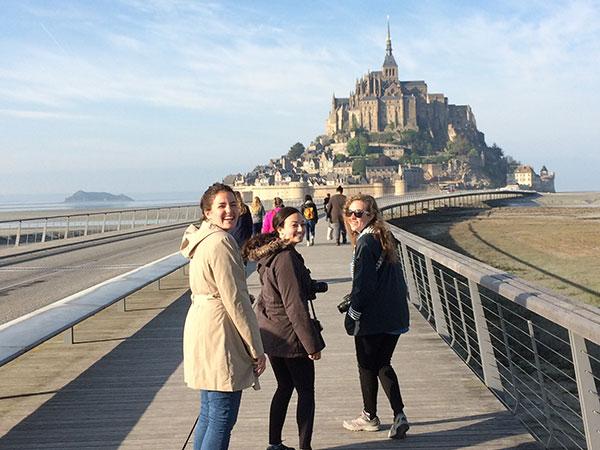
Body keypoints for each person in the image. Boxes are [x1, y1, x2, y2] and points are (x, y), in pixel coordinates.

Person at [180, 182, 266, 450]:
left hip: (201, 323)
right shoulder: (221, 242)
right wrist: (256, 348)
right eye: (221, 206)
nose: (230, 210)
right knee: (222, 415)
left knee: (208, 411)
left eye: (233, 204)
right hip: (220, 331)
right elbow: (236, 300)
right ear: (207, 212)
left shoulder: (202, 237)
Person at [243, 207, 327, 450]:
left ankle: (274, 443)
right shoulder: (286, 258)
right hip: (291, 337)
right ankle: (305, 447)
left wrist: (310, 285)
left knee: (284, 387)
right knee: (306, 393)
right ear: (279, 229)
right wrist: (311, 345)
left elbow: (277, 291)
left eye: (302, 223)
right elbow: (294, 306)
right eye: (294, 224)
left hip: (272, 333)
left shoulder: (272, 255)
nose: (300, 228)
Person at [341, 194, 410, 440]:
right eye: (349, 212)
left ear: (372, 215)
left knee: (366, 365)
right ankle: (399, 414)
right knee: (382, 363)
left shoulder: (366, 243)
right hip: (395, 314)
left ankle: (369, 417)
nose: (353, 218)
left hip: (373, 316)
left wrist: (353, 313)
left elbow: (364, 284)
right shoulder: (385, 237)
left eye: (359, 213)